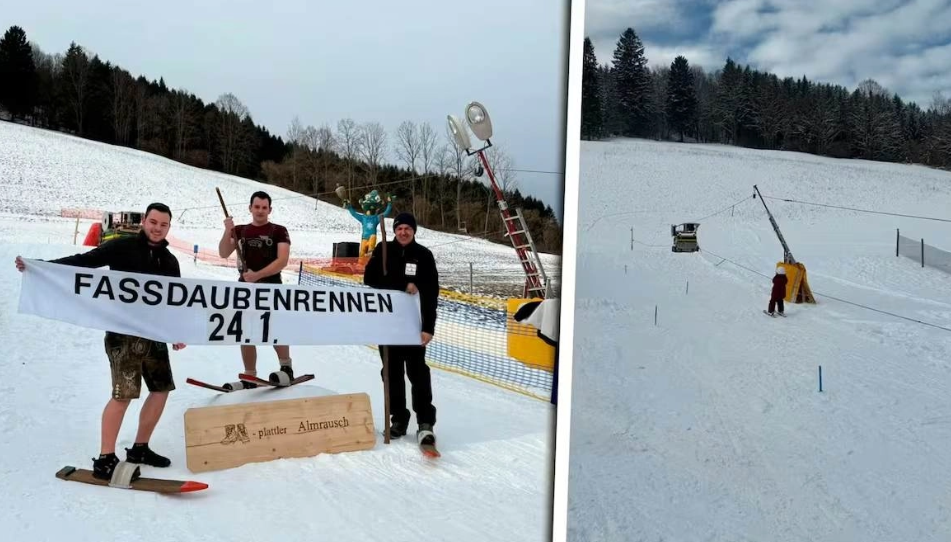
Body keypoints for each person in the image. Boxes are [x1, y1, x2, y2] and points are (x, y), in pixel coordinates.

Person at [14, 202, 186, 481]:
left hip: (154, 335)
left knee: (161, 389)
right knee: (123, 394)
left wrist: (177, 332)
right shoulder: (122, 246)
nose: (157, 228)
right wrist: (40, 267)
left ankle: (140, 448)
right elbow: (84, 262)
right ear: (145, 221)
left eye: (163, 224)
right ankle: (106, 458)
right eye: (153, 222)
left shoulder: (169, 261)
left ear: (169, 227)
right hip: (122, 334)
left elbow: (174, 302)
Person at [363, 212, 439, 445]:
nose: (403, 232)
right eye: (399, 228)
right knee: (391, 373)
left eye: (407, 228)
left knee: (418, 374)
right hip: (388, 326)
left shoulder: (424, 255)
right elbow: (370, 278)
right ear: (394, 230)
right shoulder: (383, 250)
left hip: (413, 327)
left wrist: (428, 327)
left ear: (414, 230)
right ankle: (398, 419)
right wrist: (402, 284)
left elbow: (431, 293)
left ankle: (425, 422)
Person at [217, 190, 293, 388]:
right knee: (245, 331)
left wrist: (258, 275)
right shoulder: (240, 230)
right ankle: (250, 374)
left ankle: (286, 367)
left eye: (264, 207)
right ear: (250, 208)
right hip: (245, 291)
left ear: (269, 209)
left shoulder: (279, 231)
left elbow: (282, 260)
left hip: (272, 288)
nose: (260, 211)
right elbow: (224, 252)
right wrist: (228, 231)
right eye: (256, 207)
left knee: (275, 328)